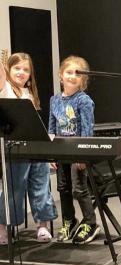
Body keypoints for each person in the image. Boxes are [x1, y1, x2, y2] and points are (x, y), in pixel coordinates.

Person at [0, 52, 58, 244]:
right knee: (14, 187)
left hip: (35, 147)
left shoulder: (29, 94)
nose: (21, 72)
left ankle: (43, 225)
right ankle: (5, 227)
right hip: (15, 149)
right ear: (8, 69)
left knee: (41, 185)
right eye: (17, 68)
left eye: (26, 70)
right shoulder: (5, 88)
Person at [49, 55, 100, 244]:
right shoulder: (54, 100)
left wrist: (82, 155)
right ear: (61, 75)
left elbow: (87, 129)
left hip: (77, 152)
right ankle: (69, 221)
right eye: (69, 72)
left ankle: (90, 222)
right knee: (63, 188)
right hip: (61, 152)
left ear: (83, 80)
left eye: (77, 74)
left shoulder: (84, 101)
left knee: (79, 189)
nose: (72, 76)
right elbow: (52, 128)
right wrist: (51, 154)